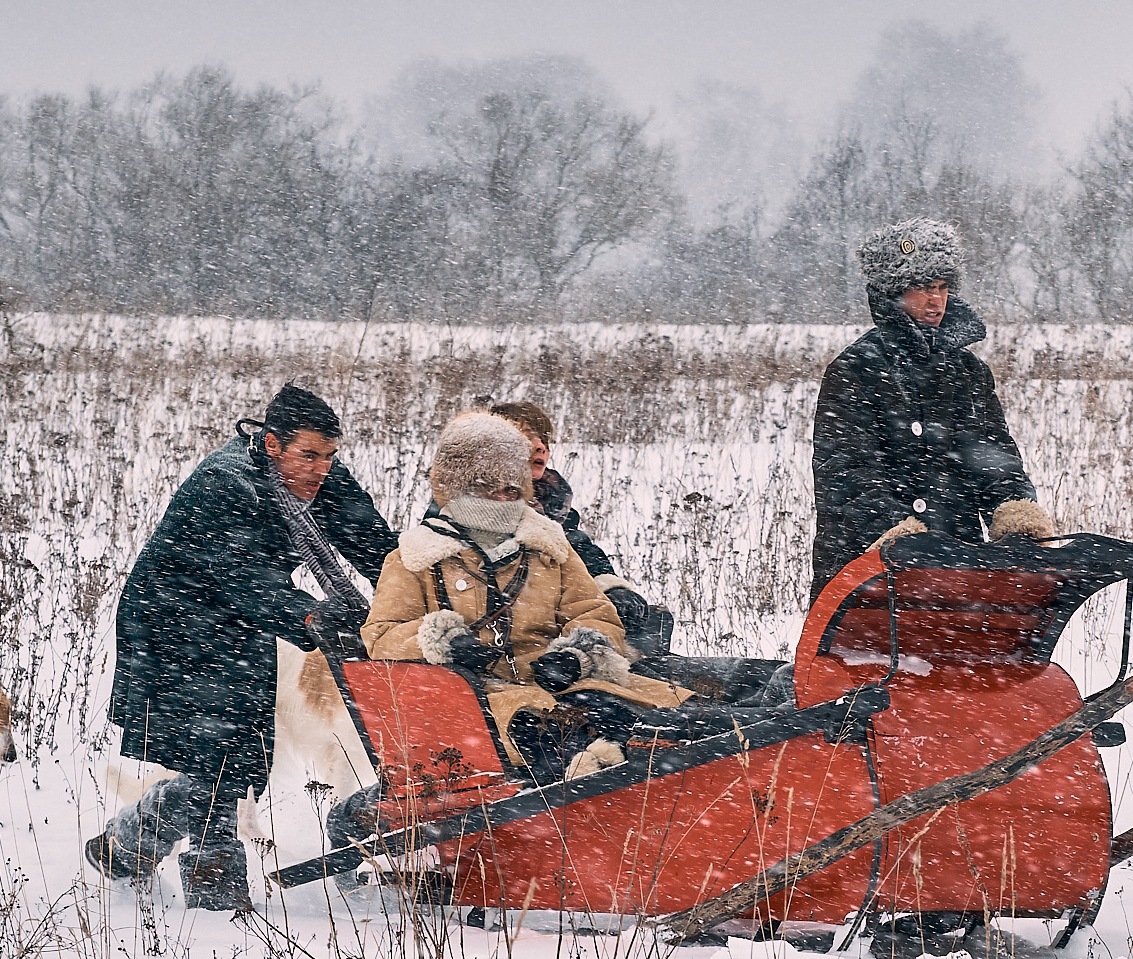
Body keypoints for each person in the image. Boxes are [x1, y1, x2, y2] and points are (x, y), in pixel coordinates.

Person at [91, 383, 395, 910]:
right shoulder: (223, 484)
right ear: (272, 444)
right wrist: (312, 616)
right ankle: (214, 893)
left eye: (329, 456)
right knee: (217, 748)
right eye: (309, 455)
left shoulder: (320, 479)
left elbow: (374, 544)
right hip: (173, 621)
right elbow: (241, 577)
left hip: (239, 622)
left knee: (238, 752)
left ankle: (130, 844)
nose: (321, 468)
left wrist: (406, 595)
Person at [362, 412, 689, 780]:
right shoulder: (415, 559)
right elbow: (381, 636)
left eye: (513, 490)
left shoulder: (549, 547)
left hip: (565, 684)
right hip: (480, 701)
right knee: (551, 736)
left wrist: (575, 655)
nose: (505, 500)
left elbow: (595, 612)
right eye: (492, 488)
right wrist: (444, 642)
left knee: (661, 719)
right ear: (460, 487)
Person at [808, 217, 1058, 600]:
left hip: (959, 563)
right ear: (892, 293)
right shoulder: (855, 370)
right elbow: (845, 472)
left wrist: (1013, 514)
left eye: (943, 287)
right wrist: (898, 533)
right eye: (923, 287)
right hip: (867, 569)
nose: (936, 300)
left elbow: (992, 455)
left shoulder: (968, 372)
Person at [488, 399, 676, 657]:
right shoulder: (463, 512)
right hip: (517, 640)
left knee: (653, 629)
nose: (541, 446)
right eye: (527, 436)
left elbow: (580, 551)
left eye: (545, 439)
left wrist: (611, 588)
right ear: (489, 447)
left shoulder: (551, 503)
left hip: (567, 625)